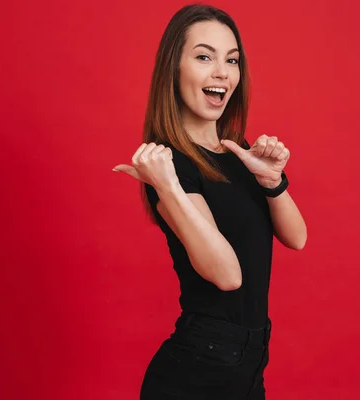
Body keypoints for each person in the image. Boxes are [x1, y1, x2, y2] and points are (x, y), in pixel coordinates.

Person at [113, 4, 307, 399]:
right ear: (175, 69)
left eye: (231, 60)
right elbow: (227, 275)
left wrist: (272, 181)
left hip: (250, 365)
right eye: (204, 57)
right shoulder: (172, 166)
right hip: (199, 371)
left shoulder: (240, 152)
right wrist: (167, 188)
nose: (222, 72)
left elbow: (298, 238)